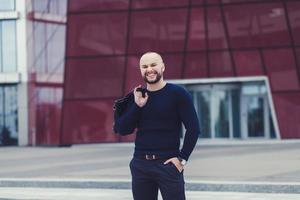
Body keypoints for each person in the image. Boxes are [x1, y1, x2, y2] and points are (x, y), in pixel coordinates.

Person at [115, 52, 200, 200]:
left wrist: (182, 159)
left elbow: (194, 128)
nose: (149, 69)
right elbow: (122, 129)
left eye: (153, 65)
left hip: (168, 165)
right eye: (145, 66)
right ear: (141, 70)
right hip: (140, 164)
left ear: (163, 67)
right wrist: (137, 106)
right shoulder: (136, 96)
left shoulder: (178, 93)